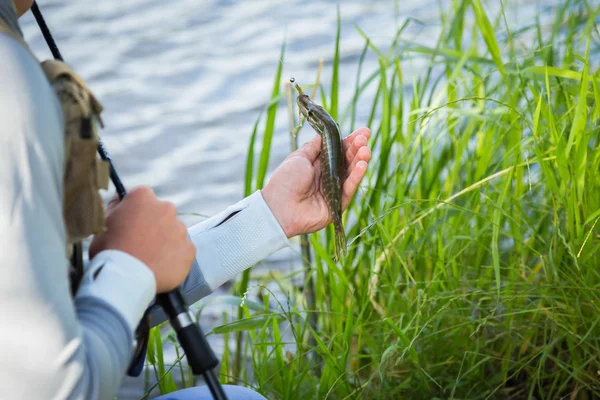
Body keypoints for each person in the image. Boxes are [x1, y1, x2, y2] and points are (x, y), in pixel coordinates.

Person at [0, 0, 372, 399]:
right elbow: (59, 386)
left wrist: (269, 216)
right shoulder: (11, 84)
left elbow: (54, 317)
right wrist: (125, 266)